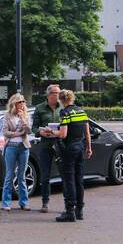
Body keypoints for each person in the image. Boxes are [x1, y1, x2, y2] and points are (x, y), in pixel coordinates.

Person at [48, 90, 92, 223]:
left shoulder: (65, 112)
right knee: (79, 179)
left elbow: (63, 134)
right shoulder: (81, 111)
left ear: (61, 101)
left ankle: (69, 211)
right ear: (72, 98)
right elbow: (87, 132)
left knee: (69, 179)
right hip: (80, 147)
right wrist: (89, 148)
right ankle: (80, 210)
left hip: (69, 149)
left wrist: (51, 132)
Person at [32, 84, 64, 213]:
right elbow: (34, 127)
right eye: (56, 93)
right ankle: (45, 203)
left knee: (65, 174)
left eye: (59, 93)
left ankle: (68, 204)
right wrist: (40, 132)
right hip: (45, 145)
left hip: (61, 145)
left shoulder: (63, 107)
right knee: (45, 176)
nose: (58, 95)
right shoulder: (39, 108)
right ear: (49, 94)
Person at [0, 93, 32, 211]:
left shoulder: (26, 116)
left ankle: (24, 202)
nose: (22, 104)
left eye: (23, 102)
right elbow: (5, 132)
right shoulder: (7, 116)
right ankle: (6, 203)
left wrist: (23, 119)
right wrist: (17, 134)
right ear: (14, 103)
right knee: (9, 175)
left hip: (23, 148)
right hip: (11, 148)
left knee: (22, 176)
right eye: (20, 102)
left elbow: (28, 130)